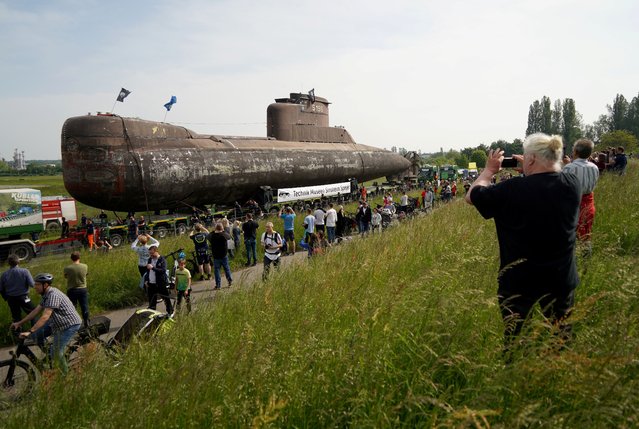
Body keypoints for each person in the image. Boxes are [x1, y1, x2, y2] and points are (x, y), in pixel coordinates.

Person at [465, 133, 580, 355]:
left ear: (532, 159)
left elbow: (472, 196)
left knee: (515, 340)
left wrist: (489, 170)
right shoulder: (572, 183)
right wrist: (530, 168)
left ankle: (514, 375)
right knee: (562, 337)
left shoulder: (511, 189)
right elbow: (551, 177)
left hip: (519, 281)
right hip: (560, 277)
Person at [11, 273, 82, 374]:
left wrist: (30, 331)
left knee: (56, 352)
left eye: (38, 284)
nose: (35, 287)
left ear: (45, 285)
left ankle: (66, 376)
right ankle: (50, 357)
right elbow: (36, 311)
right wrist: (19, 323)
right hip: (56, 322)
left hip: (69, 325)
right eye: (35, 284)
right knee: (36, 336)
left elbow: (45, 317)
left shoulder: (53, 295)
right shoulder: (46, 294)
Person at [562, 138, 600, 255]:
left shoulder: (569, 168)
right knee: (586, 232)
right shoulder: (594, 167)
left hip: (573, 203)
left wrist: (568, 165)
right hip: (589, 202)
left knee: (570, 232)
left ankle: (571, 256)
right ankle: (586, 256)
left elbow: (563, 186)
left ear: (575, 152)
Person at [0, 255, 36, 330]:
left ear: (8, 263)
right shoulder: (24, 271)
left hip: (11, 299)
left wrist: (6, 298)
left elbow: (1, 289)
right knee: (33, 312)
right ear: (18, 261)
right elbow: (32, 284)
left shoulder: (4, 274)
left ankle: (19, 336)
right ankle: (35, 331)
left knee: (16, 317)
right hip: (24, 297)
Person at [145, 245, 173, 315]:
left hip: (160, 283)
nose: (151, 255)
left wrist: (153, 268)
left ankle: (170, 312)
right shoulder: (149, 259)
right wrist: (146, 280)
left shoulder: (162, 259)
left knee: (166, 299)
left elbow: (163, 270)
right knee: (151, 301)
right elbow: (147, 271)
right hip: (151, 284)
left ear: (156, 252)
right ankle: (151, 314)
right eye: (150, 254)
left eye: (152, 253)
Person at [63, 251, 89, 327]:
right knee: (84, 306)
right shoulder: (85, 266)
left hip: (72, 290)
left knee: (73, 307)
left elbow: (66, 276)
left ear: (71, 258)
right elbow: (86, 274)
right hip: (82, 289)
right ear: (79, 258)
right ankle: (86, 321)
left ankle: (74, 323)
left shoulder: (67, 268)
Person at [209, 223, 233, 289]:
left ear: (215, 228)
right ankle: (230, 281)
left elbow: (208, 235)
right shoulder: (224, 235)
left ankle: (218, 285)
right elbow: (229, 236)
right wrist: (223, 230)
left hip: (216, 256)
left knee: (217, 271)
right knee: (227, 269)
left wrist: (214, 230)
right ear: (222, 228)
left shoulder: (212, 236)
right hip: (224, 255)